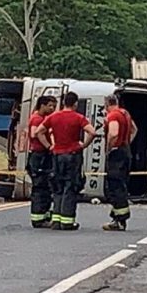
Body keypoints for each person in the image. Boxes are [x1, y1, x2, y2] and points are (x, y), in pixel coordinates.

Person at [35, 91, 96, 231]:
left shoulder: (53, 117)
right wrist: (83, 145)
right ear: (75, 104)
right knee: (70, 186)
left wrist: (49, 146)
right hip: (73, 155)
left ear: (63, 103)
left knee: (57, 187)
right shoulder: (79, 117)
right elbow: (92, 132)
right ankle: (67, 221)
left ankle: (56, 220)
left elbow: (39, 131)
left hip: (57, 155)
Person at [102, 95, 137, 231]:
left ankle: (120, 220)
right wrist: (126, 143)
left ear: (107, 104)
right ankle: (118, 217)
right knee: (121, 184)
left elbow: (113, 133)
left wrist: (109, 148)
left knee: (115, 186)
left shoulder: (113, 116)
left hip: (116, 154)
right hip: (125, 151)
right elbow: (134, 130)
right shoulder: (125, 114)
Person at [26, 95, 58, 228]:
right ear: (42, 105)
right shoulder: (36, 119)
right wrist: (48, 146)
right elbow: (34, 134)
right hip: (39, 156)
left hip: (43, 156)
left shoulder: (44, 119)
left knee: (45, 187)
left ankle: (44, 214)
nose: (52, 108)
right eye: (50, 105)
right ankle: (38, 218)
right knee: (40, 187)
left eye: (54, 106)